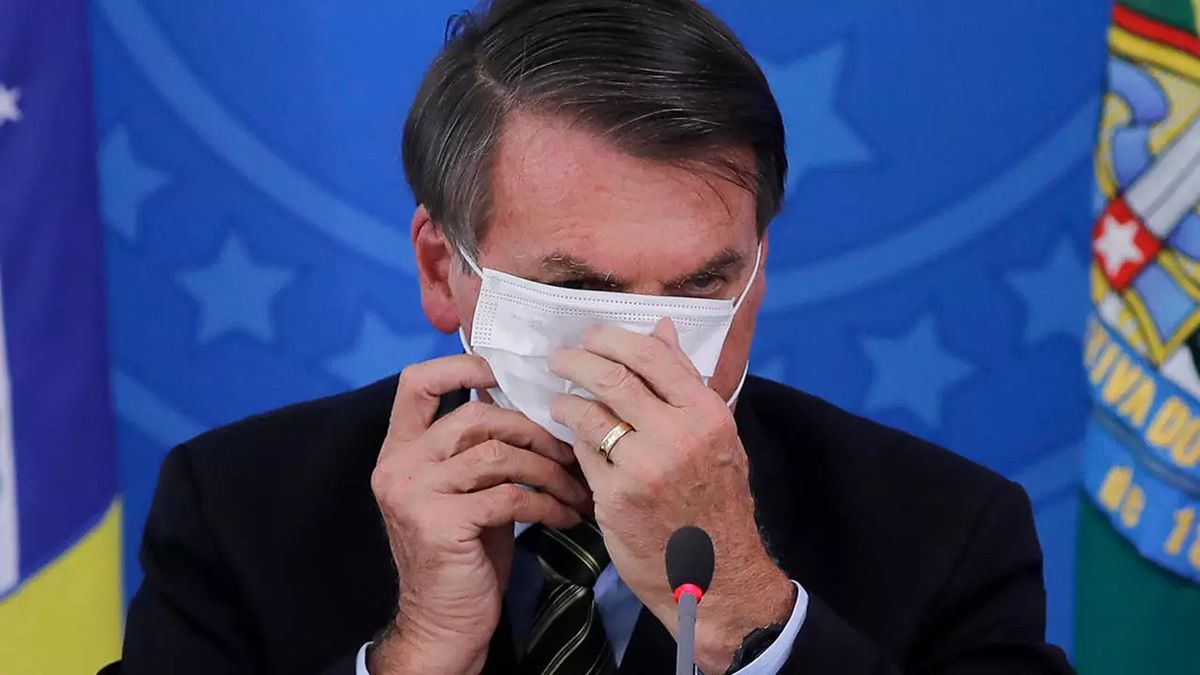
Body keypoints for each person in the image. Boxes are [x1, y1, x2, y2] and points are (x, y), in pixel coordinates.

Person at [108, 0, 1074, 673]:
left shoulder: (945, 529)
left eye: (704, 283)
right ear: (443, 269)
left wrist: (744, 612)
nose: (650, 348)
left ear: (760, 268)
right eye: (578, 287)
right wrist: (417, 654)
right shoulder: (242, 508)